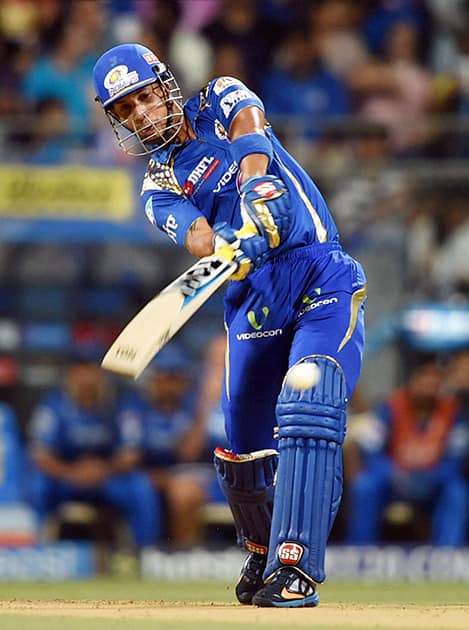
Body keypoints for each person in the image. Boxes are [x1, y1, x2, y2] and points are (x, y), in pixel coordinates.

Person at [92, 42, 367, 608]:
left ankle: (297, 568)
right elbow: (195, 237)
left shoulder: (217, 97)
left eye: (144, 97)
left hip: (318, 273)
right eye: (125, 110)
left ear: (165, 87)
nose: (141, 114)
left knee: (307, 401)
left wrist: (254, 187)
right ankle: (263, 550)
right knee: (242, 442)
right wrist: (225, 247)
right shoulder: (156, 186)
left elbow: (250, 128)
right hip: (250, 297)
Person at [28, 346, 159, 550]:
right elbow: (40, 454)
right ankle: (38, 551)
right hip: (66, 479)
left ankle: (143, 553)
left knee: (140, 487)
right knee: (38, 485)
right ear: (70, 374)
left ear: (102, 374)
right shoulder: (53, 406)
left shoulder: (120, 404)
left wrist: (102, 470)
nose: (86, 377)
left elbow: (132, 453)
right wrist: (72, 473)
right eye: (80, 369)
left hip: (107, 478)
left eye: (91, 369)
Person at [346, 357, 468, 546]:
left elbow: (456, 456)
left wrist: (432, 476)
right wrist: (395, 474)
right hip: (394, 480)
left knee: (457, 491)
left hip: (433, 482)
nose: (428, 387)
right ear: (413, 382)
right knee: (365, 485)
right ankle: (360, 552)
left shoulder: (454, 412)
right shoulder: (390, 407)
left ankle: (447, 554)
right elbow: (370, 450)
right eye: (424, 381)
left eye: (434, 382)